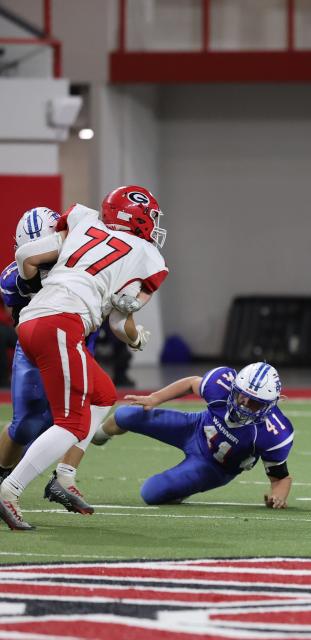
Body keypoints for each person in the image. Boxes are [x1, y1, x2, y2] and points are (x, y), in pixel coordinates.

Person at [0, 186, 168, 531]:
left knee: (104, 393)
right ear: (136, 218)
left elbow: (28, 256)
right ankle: (10, 490)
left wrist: (41, 291)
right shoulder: (147, 255)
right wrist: (138, 340)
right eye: (151, 217)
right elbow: (121, 325)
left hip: (36, 323)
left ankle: (64, 474)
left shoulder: (84, 221)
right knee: (70, 423)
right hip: (60, 324)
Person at [0, 207, 99, 515]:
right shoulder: (12, 279)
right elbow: (20, 324)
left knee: (87, 409)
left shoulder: (83, 262)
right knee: (28, 423)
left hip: (77, 343)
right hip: (37, 347)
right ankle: (3, 472)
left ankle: (64, 477)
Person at [92, 363, 294, 508]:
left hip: (214, 467)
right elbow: (191, 383)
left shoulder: (274, 432)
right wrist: (155, 398)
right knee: (126, 414)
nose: (245, 405)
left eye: (255, 403)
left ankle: (181, 489)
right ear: (234, 388)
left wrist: (277, 496)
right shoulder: (221, 386)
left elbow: (281, 479)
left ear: (270, 405)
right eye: (243, 396)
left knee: (151, 493)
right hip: (195, 426)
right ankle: (96, 435)